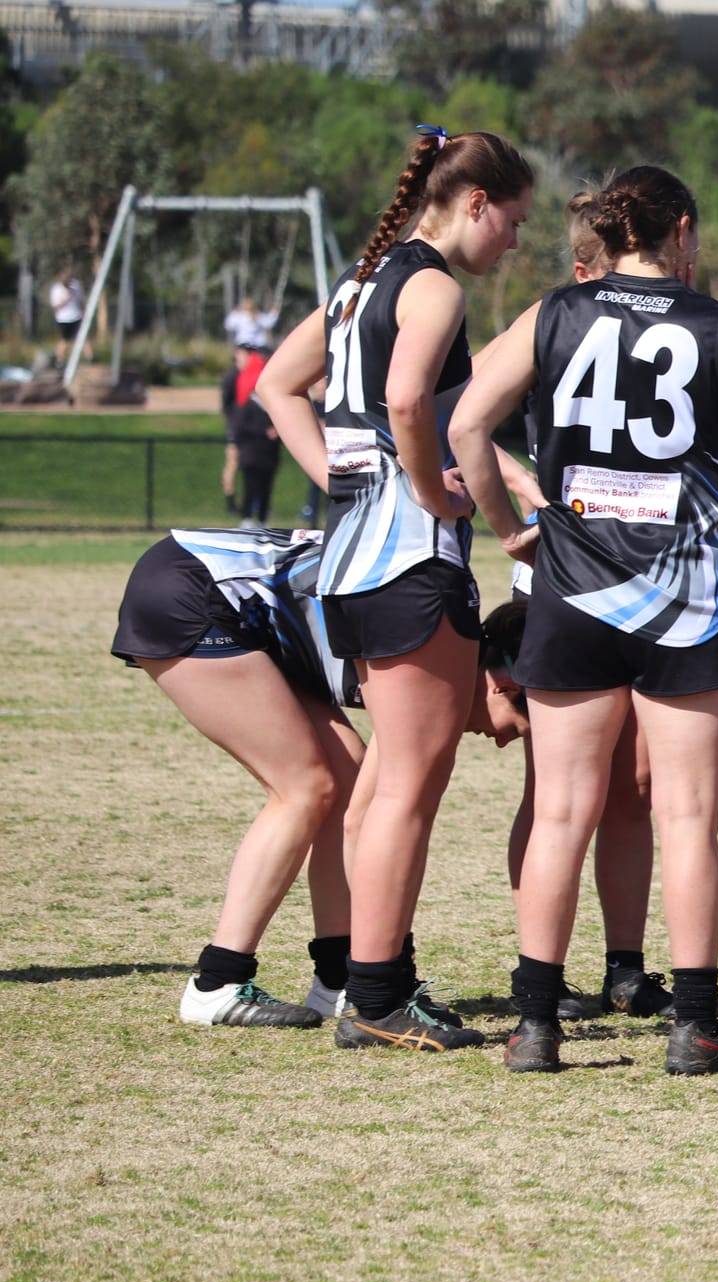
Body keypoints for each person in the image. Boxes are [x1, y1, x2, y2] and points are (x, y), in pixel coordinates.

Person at [451, 165, 718, 1076]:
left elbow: (469, 421)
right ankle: (697, 1024)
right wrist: (694, 509)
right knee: (688, 817)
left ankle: (535, 1024)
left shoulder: (557, 311)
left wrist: (513, 527)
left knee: (559, 809)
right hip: (691, 598)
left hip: (573, 587)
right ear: (681, 229)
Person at [261, 124, 534, 1053]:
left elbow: (278, 389)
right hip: (409, 563)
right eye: (515, 222)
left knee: (383, 782)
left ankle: (368, 981)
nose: (514, 243)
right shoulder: (432, 287)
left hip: (352, 560)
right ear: (474, 202)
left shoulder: (358, 284)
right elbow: (411, 402)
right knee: (408, 787)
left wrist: (351, 482)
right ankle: (377, 995)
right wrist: (425, 490)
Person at [111, 527, 365, 1030]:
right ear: (501, 683)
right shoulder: (428, 651)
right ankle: (217, 984)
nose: (500, 739)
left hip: (234, 604)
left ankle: (337, 980)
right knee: (304, 787)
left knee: (349, 775)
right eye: (513, 725)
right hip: (195, 589)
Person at [226, 343, 280, 527]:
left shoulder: (271, 399)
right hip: (251, 448)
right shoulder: (245, 396)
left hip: (268, 450)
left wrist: (277, 429)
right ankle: (247, 515)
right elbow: (238, 419)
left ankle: (263, 517)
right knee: (250, 484)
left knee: (266, 486)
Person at [49, 269, 84, 363]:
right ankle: (59, 360)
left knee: (84, 337)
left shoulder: (76, 286)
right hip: (64, 319)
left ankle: (91, 359)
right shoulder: (56, 289)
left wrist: (82, 311)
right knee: (65, 340)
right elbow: (55, 306)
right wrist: (65, 299)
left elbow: (80, 300)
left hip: (76, 316)